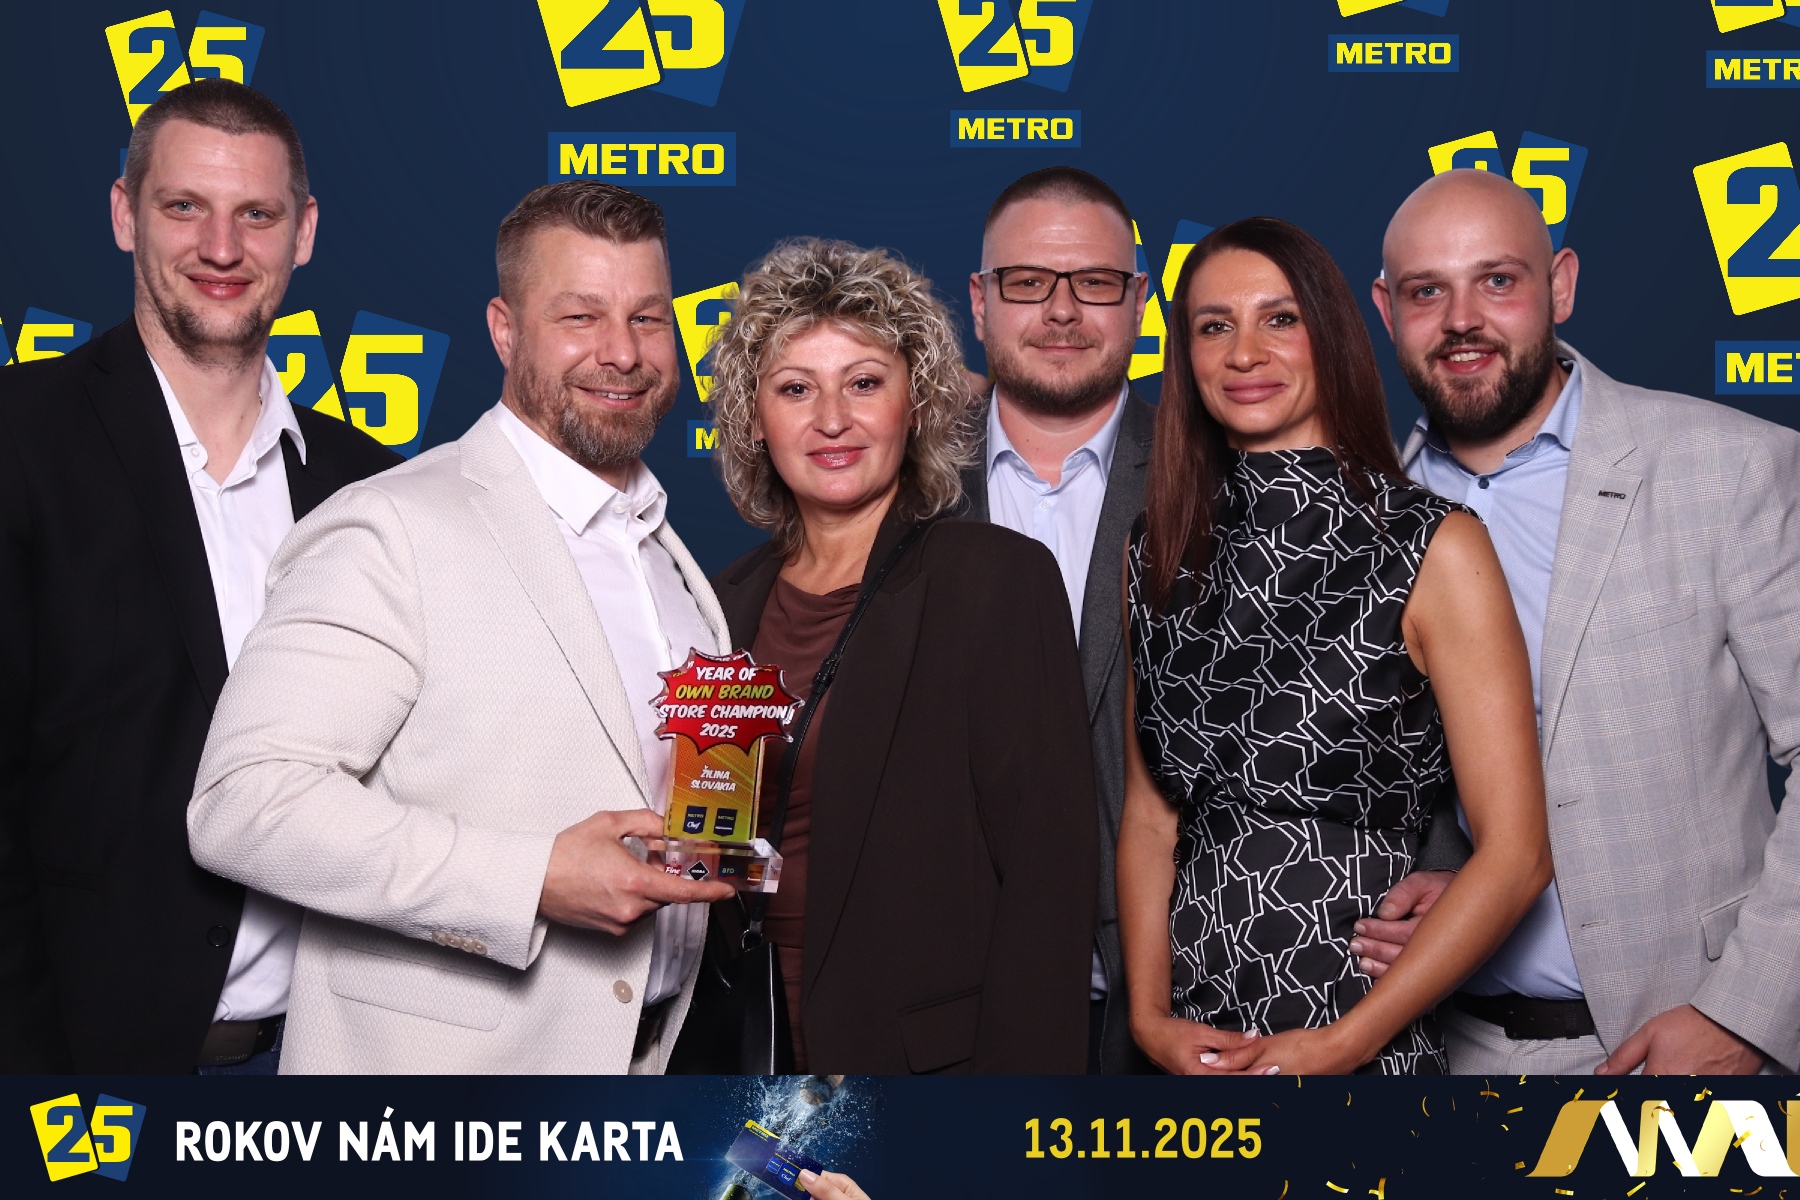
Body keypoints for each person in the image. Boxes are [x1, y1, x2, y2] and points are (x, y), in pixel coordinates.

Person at [186, 181, 735, 1073]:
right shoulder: (394, 527)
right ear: (504, 331)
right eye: (580, 317)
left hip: (650, 1074)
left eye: (647, 318)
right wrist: (533, 879)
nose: (622, 352)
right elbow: (244, 804)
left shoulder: (674, 566)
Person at [1354, 168, 1800, 1075]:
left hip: (1677, 1043)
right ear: (1387, 310)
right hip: (1444, 1049)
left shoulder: (1729, 467)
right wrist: (1451, 871)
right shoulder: (1367, 513)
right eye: (1427, 291)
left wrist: (1745, 1016)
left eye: (1498, 280)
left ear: (1560, 285)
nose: (1462, 319)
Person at [0, 80, 400, 1074]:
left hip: (326, 1067)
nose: (222, 248)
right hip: (83, 1076)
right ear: (124, 214)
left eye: (256, 214)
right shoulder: (20, 440)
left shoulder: (372, 488)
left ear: (303, 233)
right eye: (184, 206)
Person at [1116, 217, 1553, 1075]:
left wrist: (1344, 1043)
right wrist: (1149, 1018)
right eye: (1214, 325)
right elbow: (1149, 817)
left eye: (1279, 319)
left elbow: (1518, 856)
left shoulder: (1432, 544)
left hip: (1354, 1030)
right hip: (1197, 1044)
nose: (1245, 352)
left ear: (1331, 335)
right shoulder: (1156, 549)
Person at [680, 238, 1098, 1073]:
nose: (832, 419)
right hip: (745, 1051)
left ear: (917, 403)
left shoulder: (993, 579)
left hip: (924, 1070)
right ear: (755, 419)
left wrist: (1014, 1120)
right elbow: (710, 837)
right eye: (795, 389)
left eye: (864, 383)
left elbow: (1050, 879)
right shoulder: (719, 604)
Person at [959, 166, 1158, 1074]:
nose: (1063, 310)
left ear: (1140, 302)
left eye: (1096, 282)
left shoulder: (1221, 475)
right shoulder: (888, 482)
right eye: (1029, 281)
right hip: (957, 1001)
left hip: (1175, 999)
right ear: (981, 302)